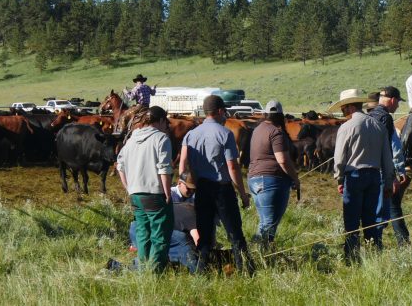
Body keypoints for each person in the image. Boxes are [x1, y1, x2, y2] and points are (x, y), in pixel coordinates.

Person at [179, 95, 255, 274]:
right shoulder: (225, 133)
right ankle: (246, 270)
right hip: (222, 189)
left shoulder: (191, 135)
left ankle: (201, 271)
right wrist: (243, 194)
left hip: (202, 189)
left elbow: (183, 165)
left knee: (204, 235)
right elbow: (233, 167)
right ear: (220, 111)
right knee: (235, 233)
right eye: (224, 112)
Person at [331, 88, 395, 262]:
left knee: (351, 221)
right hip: (374, 177)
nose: (342, 112)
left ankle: (351, 257)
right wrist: (388, 182)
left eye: (343, 109)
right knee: (370, 220)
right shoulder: (379, 126)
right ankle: (372, 256)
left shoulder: (346, 127)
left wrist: (339, 178)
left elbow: (339, 158)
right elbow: (387, 158)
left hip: (354, 177)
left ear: (350, 107)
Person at [116, 106, 174, 272]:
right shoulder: (161, 138)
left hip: (135, 194)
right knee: (160, 234)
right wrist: (167, 193)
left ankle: (143, 268)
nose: (166, 126)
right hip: (155, 193)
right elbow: (164, 168)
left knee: (143, 233)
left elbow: (120, 166)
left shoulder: (131, 140)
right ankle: (155, 272)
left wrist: (129, 188)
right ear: (161, 120)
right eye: (166, 122)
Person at [247, 100, 301, 249]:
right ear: (280, 116)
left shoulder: (257, 130)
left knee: (264, 221)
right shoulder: (276, 132)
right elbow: (282, 160)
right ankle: (258, 253)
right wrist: (295, 178)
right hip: (271, 180)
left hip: (254, 179)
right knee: (269, 223)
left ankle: (259, 251)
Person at [124, 179, 200, 272]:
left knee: (155, 253)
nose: (191, 192)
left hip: (137, 229)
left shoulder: (184, 206)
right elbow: (198, 240)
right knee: (183, 241)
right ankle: (197, 271)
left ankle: (138, 264)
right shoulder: (193, 215)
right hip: (148, 231)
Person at [367, 86, 411, 246]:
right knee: (382, 211)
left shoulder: (370, 116)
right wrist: (399, 170)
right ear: (392, 100)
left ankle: (370, 243)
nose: (398, 106)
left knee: (370, 210)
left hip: (367, 169)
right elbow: (395, 147)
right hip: (383, 171)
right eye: (398, 102)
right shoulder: (386, 118)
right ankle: (377, 245)